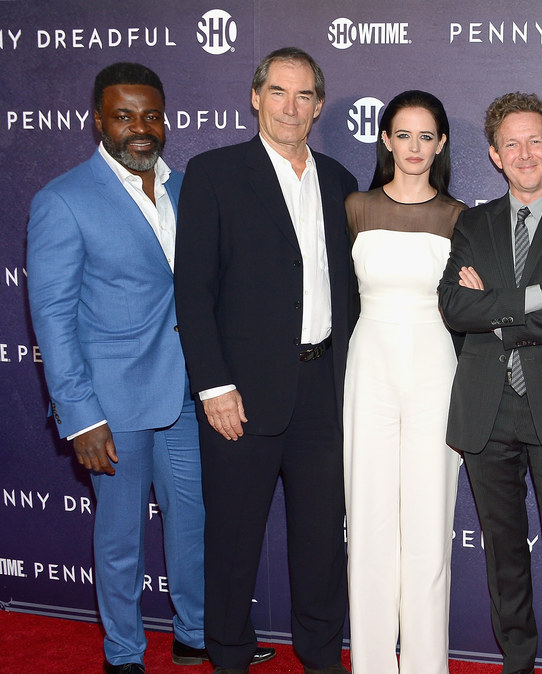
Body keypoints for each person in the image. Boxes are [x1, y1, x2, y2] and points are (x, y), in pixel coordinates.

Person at [27, 61, 274, 674]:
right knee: (119, 541)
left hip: (190, 394)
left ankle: (195, 635)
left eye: (152, 115)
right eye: (124, 115)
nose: (141, 128)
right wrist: (80, 415)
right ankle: (123, 654)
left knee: (194, 525)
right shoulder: (62, 200)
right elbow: (53, 319)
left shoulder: (191, 188)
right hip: (111, 404)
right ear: (98, 120)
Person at [174, 47, 356, 674]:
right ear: (255, 97)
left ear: (319, 106)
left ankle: (320, 655)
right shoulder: (213, 173)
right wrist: (213, 386)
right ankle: (226, 653)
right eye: (278, 92)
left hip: (322, 390)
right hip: (240, 393)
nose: (290, 107)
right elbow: (192, 291)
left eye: (304, 95)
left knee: (321, 545)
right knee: (232, 537)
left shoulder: (339, 182)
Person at [438, 92, 542, 674]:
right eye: (512, 143)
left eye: (536, 140)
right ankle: (515, 662)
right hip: (487, 409)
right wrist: (535, 300)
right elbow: (454, 306)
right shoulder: (473, 222)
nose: (526, 152)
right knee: (504, 554)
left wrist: (496, 306)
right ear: (494, 155)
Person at [343, 90, 465, 673]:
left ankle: (424, 665)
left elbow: (470, 306)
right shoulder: (356, 208)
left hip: (433, 370)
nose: (413, 147)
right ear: (386, 140)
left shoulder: (458, 217)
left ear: (440, 143)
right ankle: (369, 664)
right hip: (368, 367)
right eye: (403, 134)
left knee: (428, 522)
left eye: (426, 136)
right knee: (366, 520)